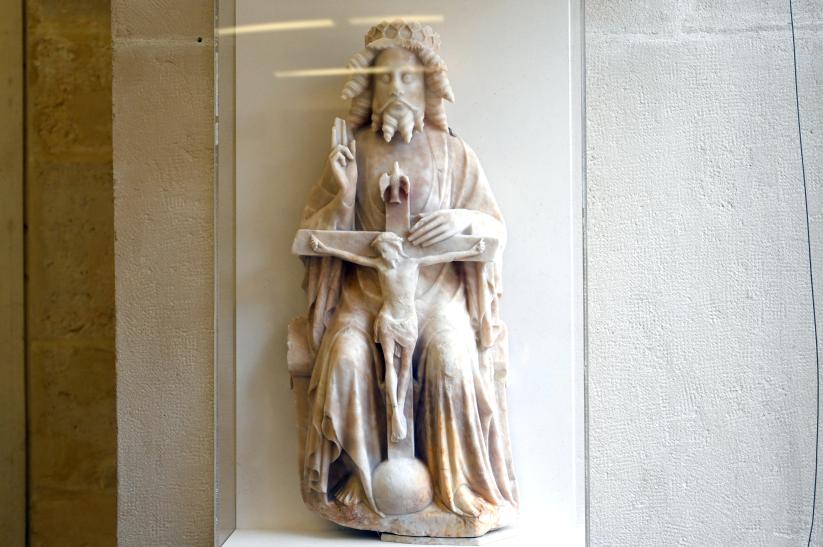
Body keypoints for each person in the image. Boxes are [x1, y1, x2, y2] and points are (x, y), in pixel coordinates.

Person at [295, 21, 518, 528]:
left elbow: (494, 230)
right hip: (366, 296)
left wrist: (460, 220)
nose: (396, 88)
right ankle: (363, 481)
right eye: (386, 79)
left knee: (452, 359)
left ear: (427, 88)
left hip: (439, 298)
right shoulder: (353, 152)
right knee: (346, 358)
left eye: (408, 78)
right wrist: (343, 193)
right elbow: (314, 239)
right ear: (370, 91)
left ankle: (455, 486)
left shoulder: (454, 155)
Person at [309, 231, 485, 443]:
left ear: (395, 248)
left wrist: (472, 250)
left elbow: (444, 255)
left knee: (404, 368)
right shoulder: (380, 265)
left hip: (408, 323)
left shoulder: (413, 263)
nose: (383, 255)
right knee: (391, 366)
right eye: (380, 252)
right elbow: (351, 256)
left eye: (384, 250)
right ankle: (395, 410)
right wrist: (323, 247)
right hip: (387, 320)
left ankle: (400, 408)